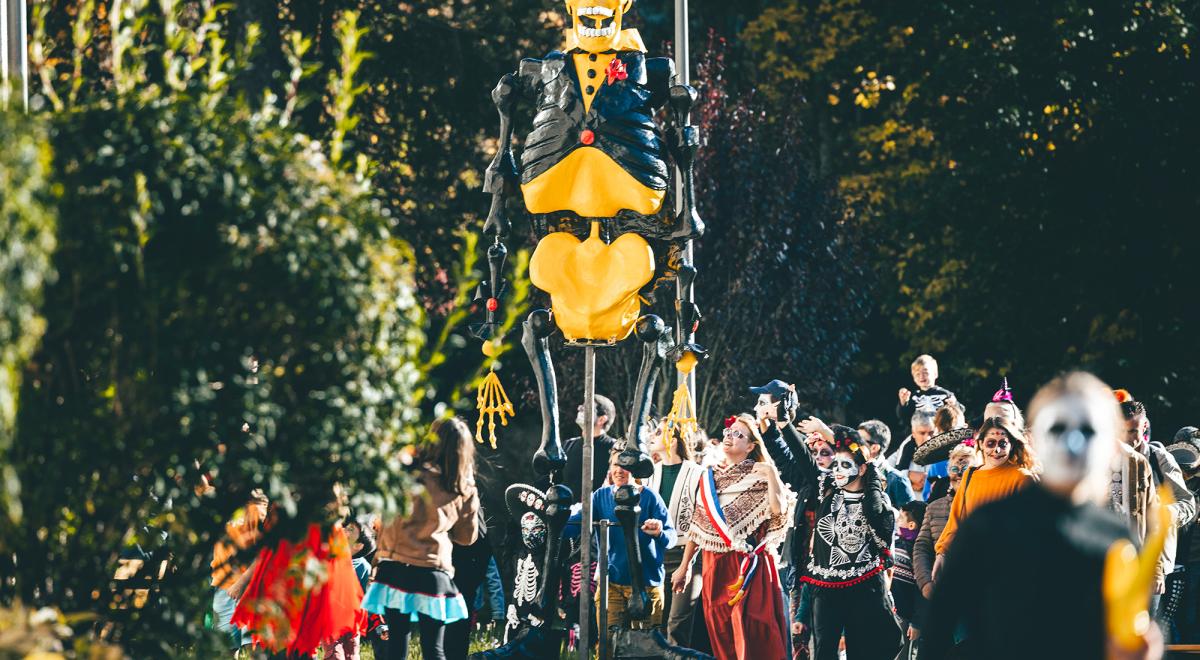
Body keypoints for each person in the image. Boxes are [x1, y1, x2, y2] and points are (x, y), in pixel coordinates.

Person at [922, 371, 1161, 660]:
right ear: (1037, 438)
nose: (1073, 442)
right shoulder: (988, 525)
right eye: (1058, 429)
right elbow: (937, 629)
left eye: (1087, 430)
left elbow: (1128, 633)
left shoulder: (1117, 539)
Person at [772, 419, 899, 660]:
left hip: (865, 589)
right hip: (827, 589)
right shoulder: (825, 488)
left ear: (861, 469)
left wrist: (829, 432)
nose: (837, 470)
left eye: (845, 464)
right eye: (835, 465)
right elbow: (800, 456)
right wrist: (783, 423)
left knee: (863, 652)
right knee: (824, 653)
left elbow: (858, 451)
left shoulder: (877, 502)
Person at [671, 414, 792, 660]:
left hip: (749, 565)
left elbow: (779, 510)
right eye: (728, 432)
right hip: (714, 565)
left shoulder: (761, 476)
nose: (729, 437)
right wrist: (684, 567)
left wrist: (770, 472)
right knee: (722, 632)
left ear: (751, 446)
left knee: (755, 630)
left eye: (738, 434)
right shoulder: (709, 479)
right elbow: (697, 526)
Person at [364, 417, 481, 660]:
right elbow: (466, 538)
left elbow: (387, 519)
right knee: (434, 648)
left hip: (395, 569)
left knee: (397, 644)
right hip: (433, 573)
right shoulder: (463, 487)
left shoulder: (407, 473)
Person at [567, 450, 676, 657]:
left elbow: (670, 539)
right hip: (611, 585)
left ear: (635, 470)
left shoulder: (650, 497)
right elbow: (575, 524)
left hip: (647, 585)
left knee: (644, 650)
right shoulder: (600, 497)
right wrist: (550, 517)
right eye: (616, 464)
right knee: (607, 646)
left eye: (625, 466)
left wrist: (659, 531)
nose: (619, 470)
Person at [1118, 395, 1197, 620]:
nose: (1129, 438)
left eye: (1134, 431)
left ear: (1144, 427)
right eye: (1122, 431)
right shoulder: (1107, 460)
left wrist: (1162, 513)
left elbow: (1188, 503)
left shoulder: (1158, 458)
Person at [933, 416, 1036, 566]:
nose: (997, 449)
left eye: (1003, 443)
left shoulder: (1022, 478)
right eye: (990, 443)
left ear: (1012, 445)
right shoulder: (970, 475)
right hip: (971, 561)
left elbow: (1030, 530)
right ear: (980, 444)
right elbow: (955, 520)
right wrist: (942, 553)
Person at [645, 418, 705, 647]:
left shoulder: (698, 474)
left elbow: (700, 523)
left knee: (677, 624)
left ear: (673, 438)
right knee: (656, 624)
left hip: (686, 556)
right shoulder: (649, 474)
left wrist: (686, 565)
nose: (653, 436)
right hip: (656, 557)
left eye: (659, 432)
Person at [912, 443, 977, 607]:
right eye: (955, 469)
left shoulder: (985, 506)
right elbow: (922, 546)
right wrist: (926, 584)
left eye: (966, 469)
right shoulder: (934, 507)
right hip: (942, 594)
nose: (959, 475)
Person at [210, 490, 268, 655]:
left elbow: (262, 555)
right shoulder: (222, 504)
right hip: (222, 585)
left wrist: (241, 584)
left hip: (246, 589)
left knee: (253, 649)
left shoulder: (254, 510)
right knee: (224, 649)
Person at [561, 394, 620, 503]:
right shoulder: (567, 445)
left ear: (601, 419)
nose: (580, 409)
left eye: (586, 408)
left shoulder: (615, 449)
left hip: (598, 517)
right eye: (582, 406)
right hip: (564, 516)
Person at [893, 500, 928, 656]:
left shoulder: (919, 553)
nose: (897, 522)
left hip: (906, 618)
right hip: (891, 612)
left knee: (904, 653)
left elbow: (921, 591)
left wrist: (916, 622)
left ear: (912, 525)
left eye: (901, 518)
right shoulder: (895, 544)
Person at [895, 354, 956, 441]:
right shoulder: (913, 396)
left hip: (941, 434)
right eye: (917, 374)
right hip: (918, 436)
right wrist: (903, 403)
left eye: (925, 372)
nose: (921, 376)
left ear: (935, 373)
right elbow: (904, 417)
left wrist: (954, 405)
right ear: (914, 378)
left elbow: (959, 412)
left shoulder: (945, 394)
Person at [857, 419, 915, 507]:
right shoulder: (852, 472)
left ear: (874, 448)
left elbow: (910, 517)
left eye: (859, 441)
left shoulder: (897, 480)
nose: (853, 445)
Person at [889, 412, 937, 499]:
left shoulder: (944, 448)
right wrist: (909, 476)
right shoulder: (905, 447)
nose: (927, 438)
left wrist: (927, 480)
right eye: (922, 433)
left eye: (931, 433)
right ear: (913, 433)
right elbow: (887, 475)